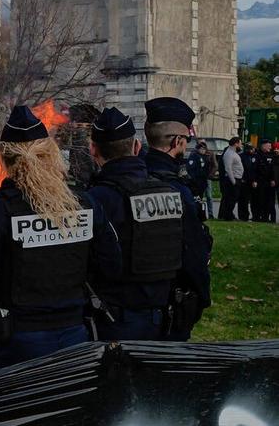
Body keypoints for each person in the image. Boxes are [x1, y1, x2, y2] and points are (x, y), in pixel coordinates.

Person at [0, 105, 121, 375]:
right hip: (76, 337)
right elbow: (111, 267)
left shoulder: (0, 212)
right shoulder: (84, 205)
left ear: (5, 160)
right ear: (51, 154)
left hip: (18, 344)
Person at [88, 107, 184, 341]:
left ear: (93, 150)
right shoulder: (170, 191)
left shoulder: (95, 200)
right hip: (166, 315)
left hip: (114, 319)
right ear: (137, 146)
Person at [143, 97, 212, 341]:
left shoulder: (133, 176)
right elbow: (192, 250)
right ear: (176, 141)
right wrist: (202, 296)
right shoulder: (177, 189)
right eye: (186, 140)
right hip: (170, 302)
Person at [219, 137, 244, 221]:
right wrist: (233, 181)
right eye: (240, 143)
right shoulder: (229, 154)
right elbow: (228, 168)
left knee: (233, 198)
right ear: (235, 144)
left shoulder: (233, 152)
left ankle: (229, 215)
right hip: (232, 180)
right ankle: (228, 216)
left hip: (237, 178)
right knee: (230, 199)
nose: (241, 145)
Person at [253, 139, 277, 223]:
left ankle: (267, 217)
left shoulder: (272, 155)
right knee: (260, 200)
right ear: (263, 146)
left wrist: (272, 179)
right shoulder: (257, 155)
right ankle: (259, 217)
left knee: (269, 201)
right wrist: (254, 180)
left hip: (269, 182)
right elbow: (255, 169)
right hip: (260, 181)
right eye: (268, 145)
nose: (270, 147)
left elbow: (272, 169)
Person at [186, 141, 210, 219]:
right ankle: (194, 214)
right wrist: (194, 181)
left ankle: (199, 214)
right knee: (195, 199)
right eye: (201, 149)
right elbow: (191, 169)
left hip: (202, 182)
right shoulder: (194, 156)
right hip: (195, 182)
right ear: (198, 149)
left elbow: (206, 169)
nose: (203, 150)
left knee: (200, 199)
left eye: (204, 149)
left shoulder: (205, 157)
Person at [238, 144, 257, 221]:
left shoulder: (255, 156)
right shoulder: (241, 157)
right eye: (251, 149)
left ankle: (255, 216)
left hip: (253, 181)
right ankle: (243, 216)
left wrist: (254, 180)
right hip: (244, 180)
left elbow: (255, 169)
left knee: (254, 200)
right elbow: (240, 168)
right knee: (243, 200)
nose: (252, 150)